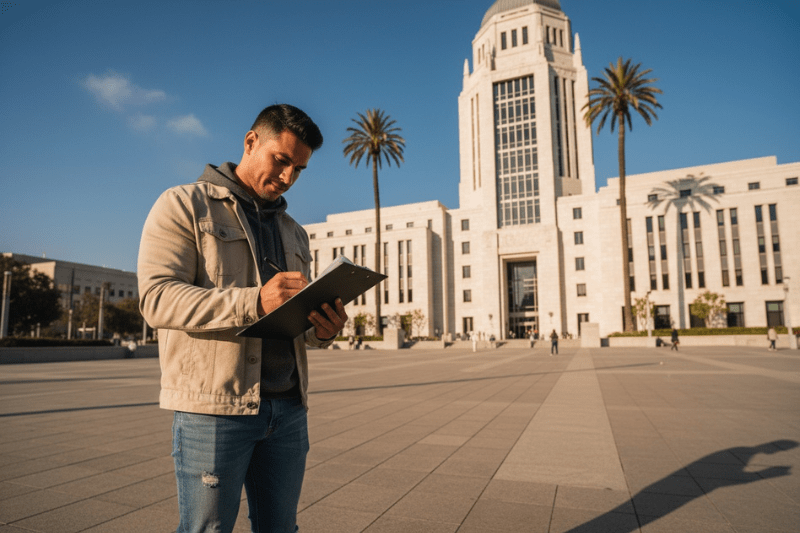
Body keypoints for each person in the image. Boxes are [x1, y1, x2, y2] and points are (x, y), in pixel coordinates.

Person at [138, 104, 347, 533]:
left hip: (288, 410)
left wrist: (321, 329)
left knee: (280, 528)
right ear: (251, 142)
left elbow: (289, 319)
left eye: (299, 169)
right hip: (216, 410)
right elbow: (157, 299)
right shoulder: (183, 205)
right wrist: (253, 301)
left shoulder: (294, 231)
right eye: (281, 160)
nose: (288, 177)